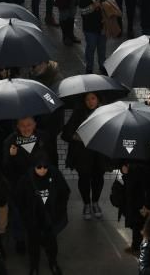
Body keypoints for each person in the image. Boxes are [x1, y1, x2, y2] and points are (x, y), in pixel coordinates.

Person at [15, 157, 69, 275]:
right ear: (33, 167)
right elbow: (19, 200)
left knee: (51, 243)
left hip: (50, 218)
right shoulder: (26, 180)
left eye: (45, 167)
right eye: (39, 167)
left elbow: (64, 193)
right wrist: (26, 216)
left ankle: (53, 263)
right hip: (33, 219)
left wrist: (57, 211)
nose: (42, 170)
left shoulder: (55, 177)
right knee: (33, 244)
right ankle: (34, 266)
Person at [61, 92, 107, 220]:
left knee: (98, 178)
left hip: (99, 153)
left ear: (98, 99)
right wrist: (78, 137)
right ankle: (87, 204)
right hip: (82, 154)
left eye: (93, 98)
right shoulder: (78, 113)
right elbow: (65, 134)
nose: (90, 102)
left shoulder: (104, 112)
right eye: (87, 99)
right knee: (84, 179)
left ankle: (95, 203)